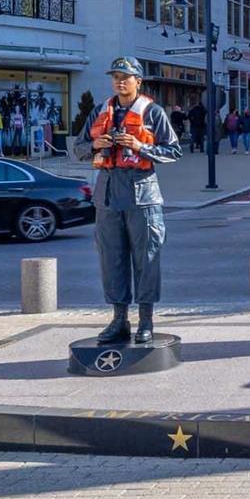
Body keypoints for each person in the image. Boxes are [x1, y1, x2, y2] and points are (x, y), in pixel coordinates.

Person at [73, 57, 182, 346]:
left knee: (146, 259)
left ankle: (146, 320)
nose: (120, 81)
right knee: (112, 260)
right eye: (116, 76)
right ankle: (119, 319)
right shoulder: (100, 111)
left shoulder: (153, 112)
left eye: (126, 76)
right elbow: (79, 148)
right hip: (107, 195)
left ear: (138, 81)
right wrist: (97, 144)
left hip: (142, 195)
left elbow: (173, 151)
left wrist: (140, 146)